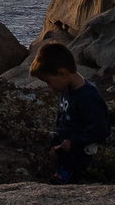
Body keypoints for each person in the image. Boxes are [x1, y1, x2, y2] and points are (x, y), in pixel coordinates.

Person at [29, 42, 110, 185]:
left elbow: (100, 129)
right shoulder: (66, 90)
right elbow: (62, 118)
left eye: (49, 81)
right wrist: (55, 143)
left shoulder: (87, 95)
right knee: (59, 182)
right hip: (65, 150)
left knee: (64, 185)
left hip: (79, 154)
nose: (48, 87)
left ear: (62, 73)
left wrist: (75, 142)